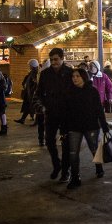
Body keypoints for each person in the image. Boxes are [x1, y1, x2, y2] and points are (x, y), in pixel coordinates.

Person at [63, 68, 110, 189]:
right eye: (73, 76)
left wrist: (104, 126)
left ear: (83, 77)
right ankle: (75, 177)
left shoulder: (92, 91)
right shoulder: (69, 91)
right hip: (74, 127)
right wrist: (64, 128)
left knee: (94, 149)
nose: (75, 78)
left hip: (91, 126)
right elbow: (66, 111)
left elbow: (99, 109)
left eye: (77, 76)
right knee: (73, 153)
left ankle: (98, 167)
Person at [34, 48, 74, 182]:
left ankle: (65, 171)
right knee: (49, 141)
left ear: (62, 58)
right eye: (51, 60)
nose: (53, 62)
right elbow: (38, 93)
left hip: (66, 115)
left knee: (66, 144)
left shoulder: (70, 73)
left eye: (56, 59)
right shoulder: (45, 74)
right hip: (50, 113)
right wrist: (41, 107)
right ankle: (57, 165)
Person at [14, 59, 39, 126]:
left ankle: (36, 121)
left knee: (35, 107)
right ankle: (23, 119)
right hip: (29, 92)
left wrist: (32, 90)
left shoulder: (35, 72)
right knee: (28, 106)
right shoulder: (33, 72)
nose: (29, 66)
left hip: (32, 93)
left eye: (30, 65)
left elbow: (35, 83)